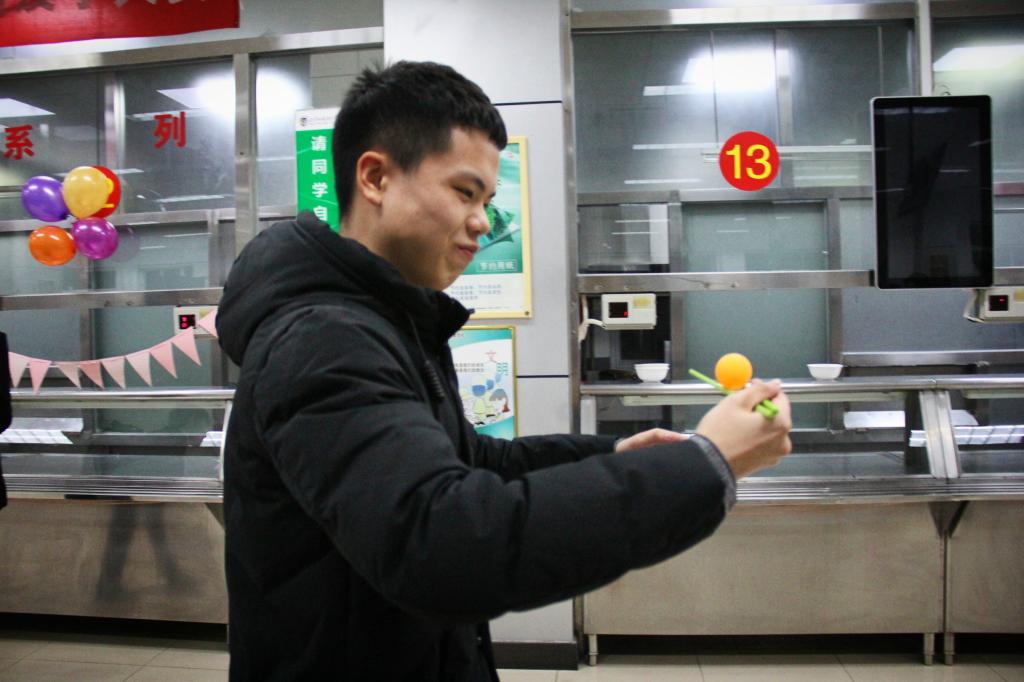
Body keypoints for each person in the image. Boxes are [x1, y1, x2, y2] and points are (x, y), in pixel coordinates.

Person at [216, 60, 792, 681]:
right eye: (465, 193)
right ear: (376, 177)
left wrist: (618, 455)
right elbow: (439, 544)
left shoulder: (389, 321)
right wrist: (702, 467)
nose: (484, 221)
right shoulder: (323, 339)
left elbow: (471, 462)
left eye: (488, 200)